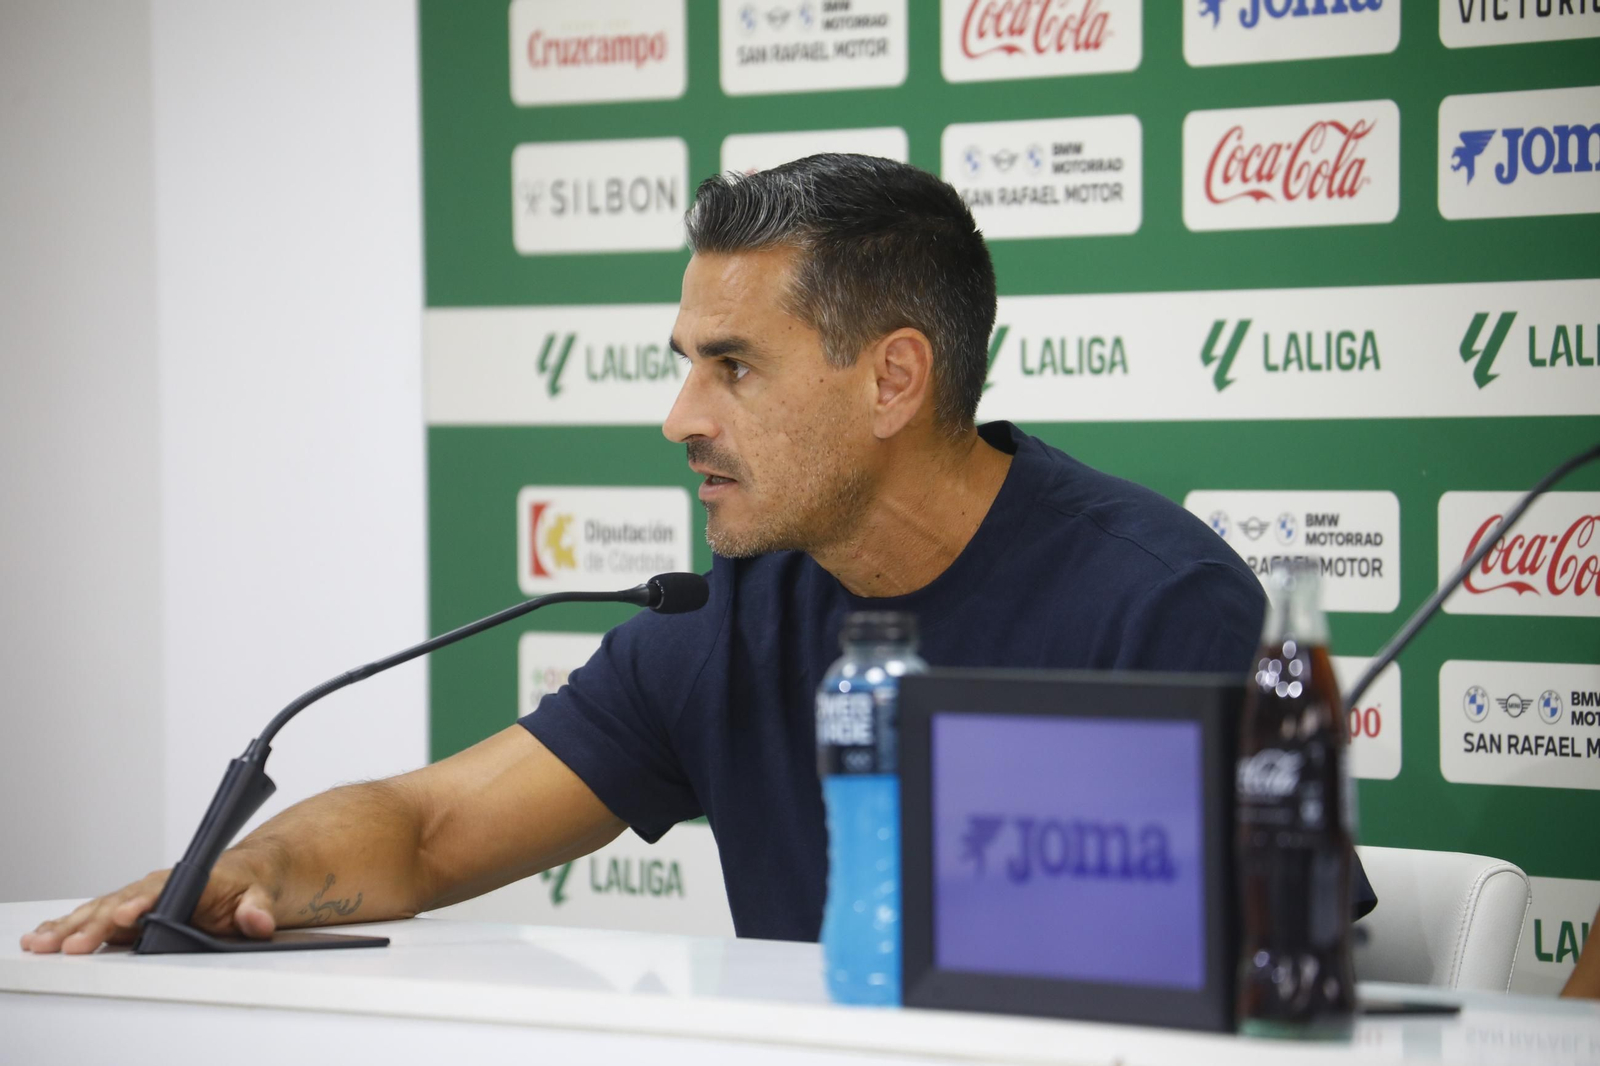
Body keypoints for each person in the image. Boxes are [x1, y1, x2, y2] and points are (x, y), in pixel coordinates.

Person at [20, 154, 1373, 954]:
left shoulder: (1164, 601)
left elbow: (1266, 977)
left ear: (893, 378)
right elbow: (429, 829)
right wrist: (245, 876)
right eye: (686, 364)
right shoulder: (732, 611)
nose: (680, 418)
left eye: (732, 366)